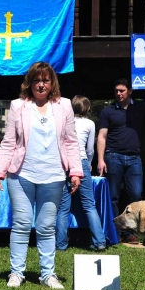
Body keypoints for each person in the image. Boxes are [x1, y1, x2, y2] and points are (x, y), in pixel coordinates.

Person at [0, 61, 83, 289]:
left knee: (46, 227)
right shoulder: (17, 106)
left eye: (45, 80)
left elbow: (71, 142)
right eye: (36, 80)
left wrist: (75, 171)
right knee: (21, 223)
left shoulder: (64, 106)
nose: (41, 85)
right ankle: (16, 273)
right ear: (29, 83)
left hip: (53, 175)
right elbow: (9, 142)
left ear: (52, 83)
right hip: (20, 175)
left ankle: (47, 274)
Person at [97, 78, 145, 244]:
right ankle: (114, 233)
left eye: (122, 91)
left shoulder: (140, 107)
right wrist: (100, 159)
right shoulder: (108, 111)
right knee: (113, 196)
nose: (119, 94)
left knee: (135, 194)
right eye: (116, 91)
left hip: (134, 158)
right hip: (113, 156)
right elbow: (102, 137)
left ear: (130, 91)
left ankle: (131, 231)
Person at [56, 95, 106, 252]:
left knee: (63, 208)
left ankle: (61, 244)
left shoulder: (63, 121)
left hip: (64, 163)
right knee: (89, 205)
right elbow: (90, 148)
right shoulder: (90, 124)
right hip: (82, 161)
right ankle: (99, 241)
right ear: (87, 108)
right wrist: (89, 163)